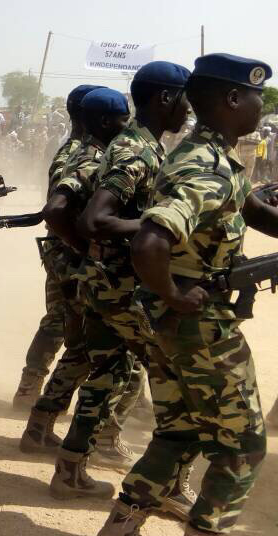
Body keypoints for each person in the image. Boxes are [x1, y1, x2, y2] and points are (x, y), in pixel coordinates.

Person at [97, 53, 275, 536]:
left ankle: (120, 530)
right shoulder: (206, 166)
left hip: (168, 322)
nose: (262, 105)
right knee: (242, 446)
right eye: (258, 95)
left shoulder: (211, 155)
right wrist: (175, 294)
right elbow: (149, 241)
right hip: (199, 326)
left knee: (181, 432)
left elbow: (254, 210)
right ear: (234, 99)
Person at [56, 63, 195, 512]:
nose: (190, 108)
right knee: (180, 382)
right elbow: (95, 219)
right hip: (122, 290)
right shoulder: (137, 151)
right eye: (184, 97)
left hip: (104, 284)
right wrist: (161, 225)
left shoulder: (139, 145)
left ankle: (70, 469)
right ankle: (170, 486)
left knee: (106, 375)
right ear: (164, 99)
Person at [41, 87, 131, 500]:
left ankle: (40, 424)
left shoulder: (77, 150)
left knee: (80, 349)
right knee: (103, 356)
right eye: (122, 120)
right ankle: (87, 445)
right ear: (106, 122)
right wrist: (84, 249)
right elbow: (58, 210)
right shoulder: (90, 156)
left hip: (71, 266)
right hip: (78, 268)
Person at [16, 85, 99, 432]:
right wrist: (80, 246)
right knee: (68, 326)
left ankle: (29, 388)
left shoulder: (70, 148)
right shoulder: (81, 153)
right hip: (69, 254)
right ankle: (34, 392)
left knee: (57, 321)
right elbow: (57, 209)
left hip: (61, 251)